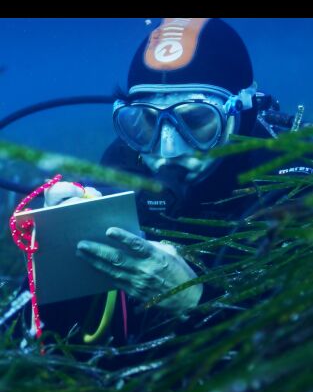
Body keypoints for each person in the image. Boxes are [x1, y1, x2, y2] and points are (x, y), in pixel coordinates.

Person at [38, 18, 304, 345]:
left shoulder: (290, 181)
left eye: (196, 120)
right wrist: (60, 246)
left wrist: (195, 299)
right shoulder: (125, 162)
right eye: (146, 122)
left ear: (241, 115)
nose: (167, 151)